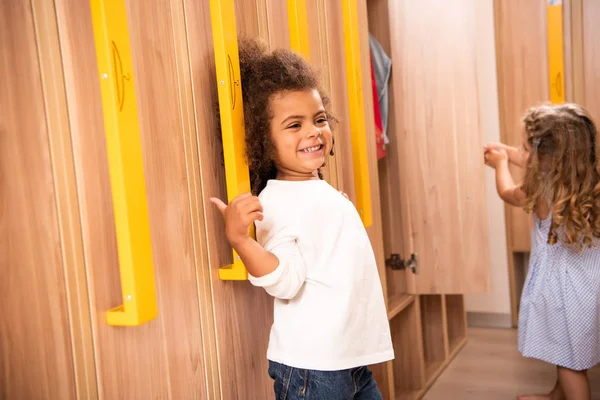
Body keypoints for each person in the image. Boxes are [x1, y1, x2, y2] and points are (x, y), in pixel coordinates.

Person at [210, 38, 394, 399]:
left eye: (319, 119)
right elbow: (284, 281)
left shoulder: (315, 189)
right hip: (315, 367)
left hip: (347, 359)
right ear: (264, 140)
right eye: (294, 125)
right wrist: (241, 240)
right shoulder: (275, 201)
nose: (313, 131)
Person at [484, 103, 600, 400]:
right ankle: (555, 396)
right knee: (571, 353)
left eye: (525, 147)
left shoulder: (543, 190)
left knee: (570, 364)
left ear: (548, 157)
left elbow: (507, 193)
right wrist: (508, 152)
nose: (521, 153)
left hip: (563, 290)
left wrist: (501, 164)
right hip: (587, 285)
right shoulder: (588, 179)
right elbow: (537, 161)